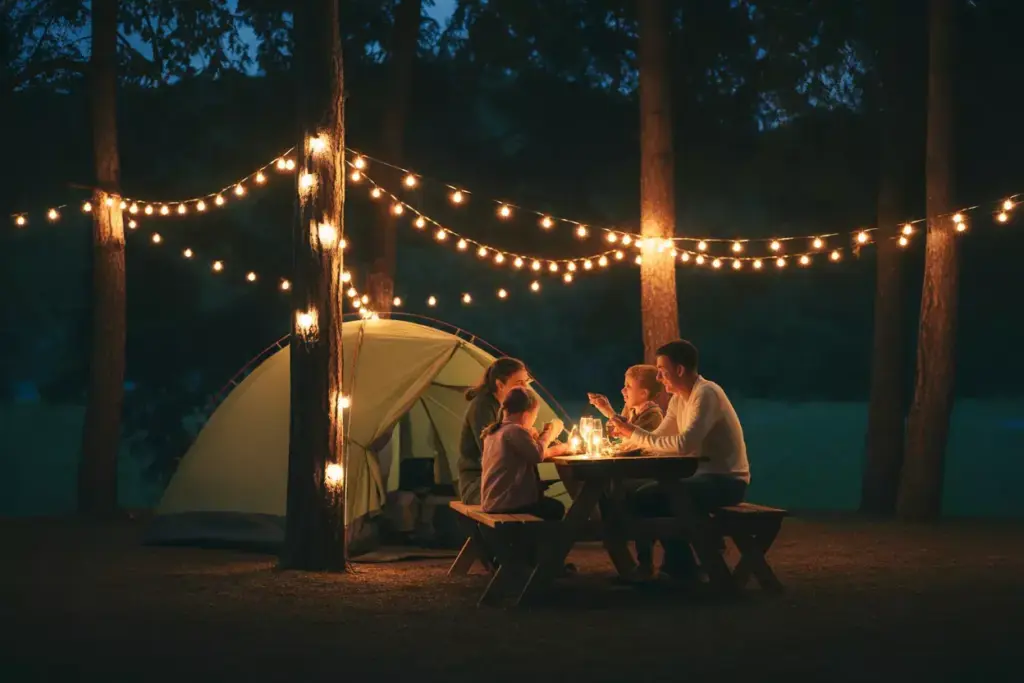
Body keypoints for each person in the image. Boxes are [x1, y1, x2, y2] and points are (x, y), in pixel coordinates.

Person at [589, 340, 749, 582]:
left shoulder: (706, 393)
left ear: (680, 370)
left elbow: (684, 444)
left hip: (726, 481)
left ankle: (682, 567)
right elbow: (658, 439)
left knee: (650, 497)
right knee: (633, 494)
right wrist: (629, 436)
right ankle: (677, 566)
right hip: (699, 477)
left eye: (662, 371)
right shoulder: (678, 400)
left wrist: (633, 433)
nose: (659, 378)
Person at [589, 364, 664, 578]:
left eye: (628, 386)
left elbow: (633, 441)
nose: (623, 390)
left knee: (619, 495)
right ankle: (617, 545)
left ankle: (640, 559)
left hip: (645, 475)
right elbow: (619, 432)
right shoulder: (632, 410)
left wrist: (608, 412)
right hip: (629, 472)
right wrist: (611, 419)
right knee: (604, 493)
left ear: (644, 393)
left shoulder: (653, 415)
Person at [480, 387, 565, 520]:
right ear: (526, 415)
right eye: (534, 416)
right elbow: (537, 455)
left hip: (492, 502)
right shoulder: (514, 430)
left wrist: (558, 448)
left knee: (548, 503)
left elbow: (535, 452)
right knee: (556, 508)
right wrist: (549, 432)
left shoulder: (494, 432)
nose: (534, 420)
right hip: (507, 503)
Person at [457, 357, 531, 504]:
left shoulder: (508, 406)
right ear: (500, 385)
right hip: (478, 484)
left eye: (526, 382)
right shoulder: (482, 407)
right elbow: (496, 452)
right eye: (519, 383)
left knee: (541, 501)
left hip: (498, 480)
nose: (525, 388)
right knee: (544, 506)